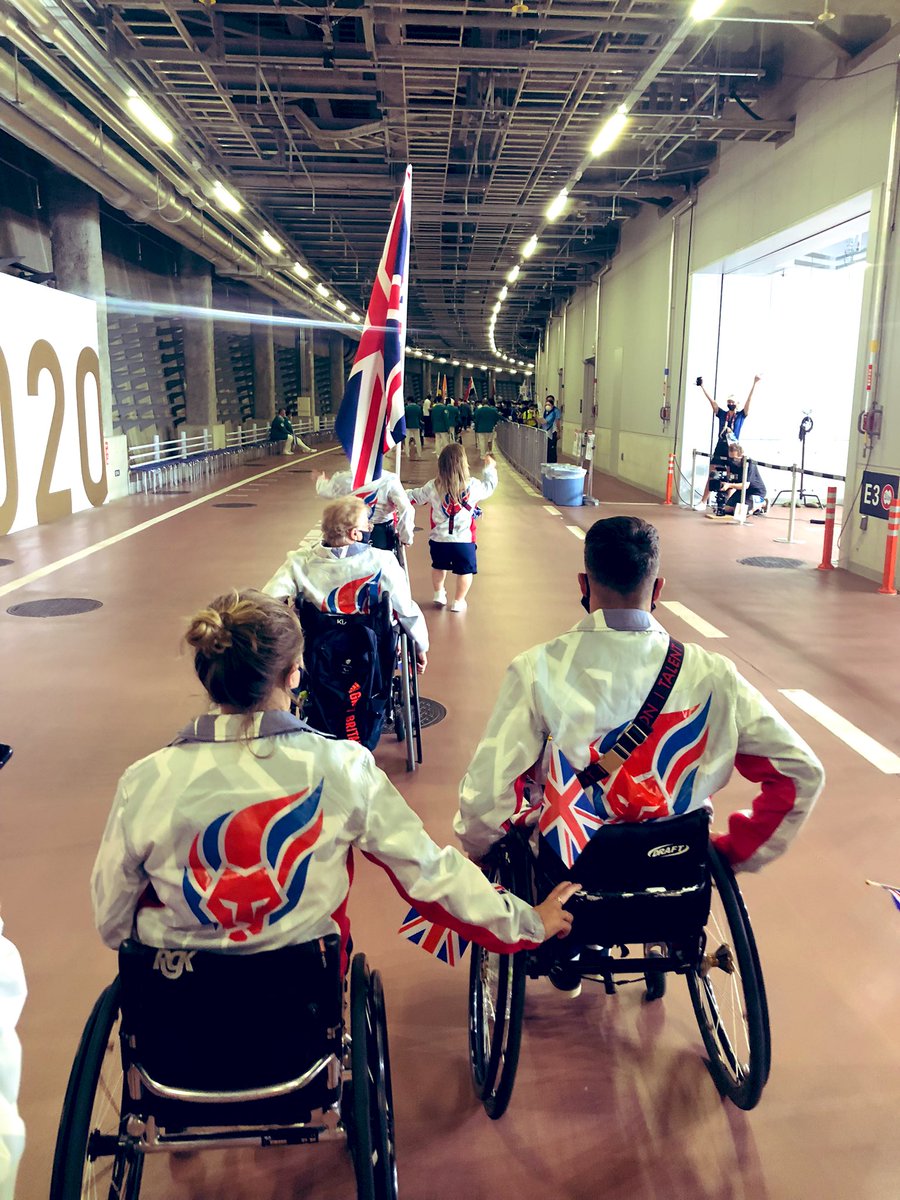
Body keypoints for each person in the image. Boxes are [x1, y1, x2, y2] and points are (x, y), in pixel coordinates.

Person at [91, 590, 578, 971]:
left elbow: (112, 923)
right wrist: (527, 922)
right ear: (294, 675)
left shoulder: (145, 780)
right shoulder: (341, 767)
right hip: (302, 995)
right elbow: (428, 876)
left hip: (179, 1007)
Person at [455, 516, 823, 992]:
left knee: (519, 834)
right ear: (658, 589)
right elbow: (800, 773)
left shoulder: (538, 669)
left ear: (583, 584)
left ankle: (570, 950)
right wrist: (733, 853)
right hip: (676, 869)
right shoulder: (713, 674)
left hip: (571, 877)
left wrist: (480, 850)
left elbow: (485, 798)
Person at [263, 496, 429, 667]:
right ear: (355, 534)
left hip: (316, 653)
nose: (370, 528)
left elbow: (268, 599)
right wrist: (420, 646)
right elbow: (406, 611)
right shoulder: (383, 561)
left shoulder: (299, 561)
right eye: (367, 525)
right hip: (370, 652)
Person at [407, 443, 497, 614]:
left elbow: (415, 497)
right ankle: (458, 601)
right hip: (464, 541)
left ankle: (438, 593)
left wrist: (398, 494)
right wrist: (489, 468)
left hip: (439, 540)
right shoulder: (474, 486)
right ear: (464, 464)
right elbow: (489, 487)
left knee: (438, 567)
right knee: (464, 572)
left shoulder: (433, 486)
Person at [314, 467, 413, 551]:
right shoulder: (389, 479)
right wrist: (406, 537)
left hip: (349, 531)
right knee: (381, 563)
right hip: (381, 533)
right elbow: (406, 509)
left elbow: (324, 491)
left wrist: (321, 480)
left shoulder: (343, 478)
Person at [697, 374, 760, 505]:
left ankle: (727, 503)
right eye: (729, 402)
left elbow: (749, 401)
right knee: (712, 473)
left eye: (733, 402)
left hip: (733, 448)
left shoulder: (741, 416)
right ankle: (703, 502)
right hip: (721, 445)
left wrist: (755, 383)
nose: (730, 404)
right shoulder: (723, 414)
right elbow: (712, 402)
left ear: (737, 404)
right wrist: (702, 387)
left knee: (732, 476)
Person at [710, 442, 768, 517]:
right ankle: (751, 506)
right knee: (727, 509)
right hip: (740, 491)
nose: (732, 461)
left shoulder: (749, 464)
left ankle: (762, 503)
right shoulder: (731, 463)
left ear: (741, 456)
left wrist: (729, 485)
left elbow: (745, 485)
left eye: (734, 459)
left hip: (755, 491)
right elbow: (730, 478)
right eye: (730, 458)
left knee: (740, 512)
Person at [542, 395, 561, 463]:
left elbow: (557, 421)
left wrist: (559, 432)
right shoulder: (546, 411)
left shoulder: (556, 411)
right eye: (547, 401)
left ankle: (553, 462)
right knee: (547, 448)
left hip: (553, 432)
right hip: (546, 432)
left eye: (550, 401)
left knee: (552, 448)